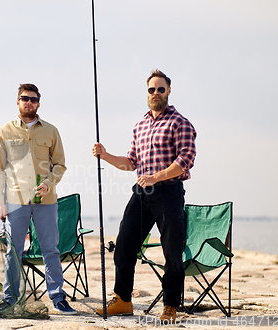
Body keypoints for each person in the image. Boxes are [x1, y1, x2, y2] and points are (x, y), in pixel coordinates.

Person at [92, 70, 197, 322]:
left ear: (169, 91)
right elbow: (131, 163)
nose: (156, 94)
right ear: (147, 92)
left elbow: (185, 160)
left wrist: (156, 177)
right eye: (152, 90)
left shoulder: (180, 123)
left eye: (161, 89)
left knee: (172, 251)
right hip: (141, 194)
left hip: (168, 194)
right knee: (124, 246)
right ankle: (123, 300)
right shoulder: (140, 125)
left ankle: (170, 305)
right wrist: (105, 155)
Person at [0, 83, 77, 315]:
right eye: (24, 98)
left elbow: (60, 164)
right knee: (13, 251)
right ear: (17, 102)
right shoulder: (4, 131)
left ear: (38, 103)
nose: (28, 102)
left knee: (50, 249)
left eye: (33, 98)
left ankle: (58, 297)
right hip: (15, 200)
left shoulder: (51, 131)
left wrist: (49, 183)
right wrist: (0, 201)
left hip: (46, 201)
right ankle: (10, 298)